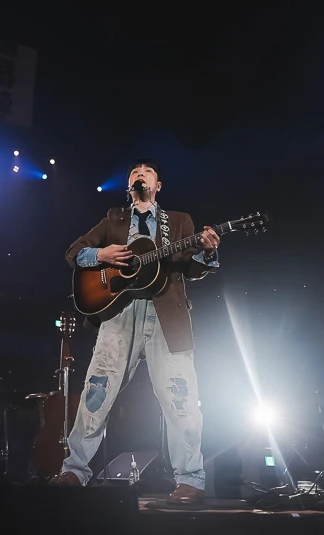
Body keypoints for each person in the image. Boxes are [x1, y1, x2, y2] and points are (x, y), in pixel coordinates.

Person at [49, 158, 220, 505]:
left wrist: (208, 251)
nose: (140, 173)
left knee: (181, 400)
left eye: (148, 171)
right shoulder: (114, 219)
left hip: (167, 317)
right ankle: (74, 470)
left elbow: (192, 269)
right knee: (96, 393)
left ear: (158, 186)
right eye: (134, 172)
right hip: (119, 314)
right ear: (129, 186)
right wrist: (102, 254)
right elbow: (73, 253)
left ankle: (189, 480)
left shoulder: (180, 221)